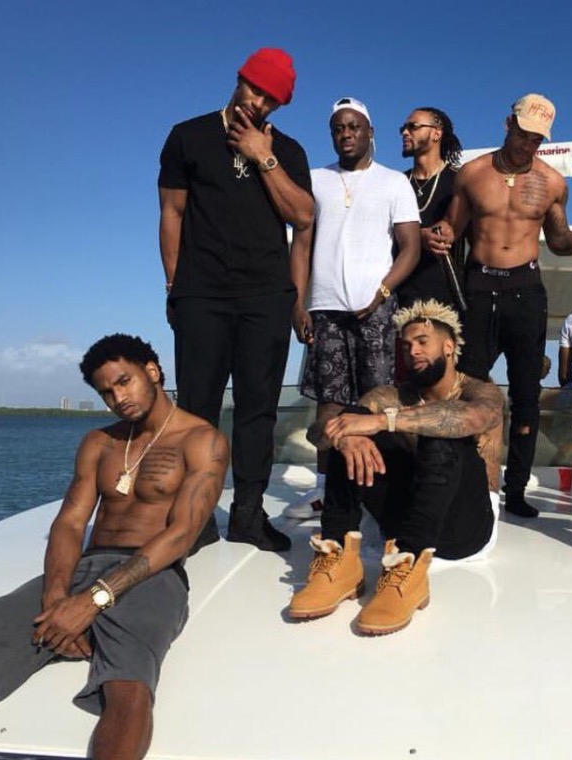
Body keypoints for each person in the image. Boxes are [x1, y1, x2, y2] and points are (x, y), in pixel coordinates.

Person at [0, 335, 228, 759]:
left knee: (128, 689)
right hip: (85, 565)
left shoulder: (201, 439)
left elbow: (181, 533)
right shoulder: (100, 442)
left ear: (152, 372)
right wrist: (56, 598)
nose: (118, 398)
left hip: (152, 573)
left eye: (124, 382)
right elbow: (70, 522)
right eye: (106, 392)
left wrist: (93, 602)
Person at [427, 94, 572, 518]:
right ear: (509, 123)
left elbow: (560, 241)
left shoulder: (553, 183)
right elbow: (452, 228)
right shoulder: (472, 174)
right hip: (479, 287)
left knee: (527, 394)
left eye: (537, 139)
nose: (529, 144)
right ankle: (466, 482)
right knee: (466, 389)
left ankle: (516, 491)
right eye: (524, 134)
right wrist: (438, 233)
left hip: (526, 291)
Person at [159, 47, 314, 553]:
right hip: (201, 293)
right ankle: (196, 517)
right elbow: (172, 214)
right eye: (255, 89)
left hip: (266, 296)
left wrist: (261, 155)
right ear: (240, 78)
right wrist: (174, 286)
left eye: (272, 99)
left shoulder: (287, 151)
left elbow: (303, 216)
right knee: (196, 408)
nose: (259, 102)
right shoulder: (188, 137)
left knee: (257, 409)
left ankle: (248, 514)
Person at [287, 300, 503, 635]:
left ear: (448, 346)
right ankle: (339, 556)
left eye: (422, 342)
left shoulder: (480, 390)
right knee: (352, 424)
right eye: (406, 346)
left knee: (440, 430)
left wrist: (381, 422)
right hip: (408, 517)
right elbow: (319, 432)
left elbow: (473, 418)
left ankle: (409, 567)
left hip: (465, 528)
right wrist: (346, 435)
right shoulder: (392, 395)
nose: (412, 351)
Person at [289, 97, 421, 523]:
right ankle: (326, 491)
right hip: (325, 310)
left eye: (353, 127)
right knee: (329, 405)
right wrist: (298, 303)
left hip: (376, 310)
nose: (345, 134)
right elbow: (301, 246)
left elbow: (411, 248)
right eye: (338, 128)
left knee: (378, 405)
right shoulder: (315, 180)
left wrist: (382, 292)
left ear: (370, 132)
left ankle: (381, 493)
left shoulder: (393, 183)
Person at [398, 106, 467, 311]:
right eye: (403, 128)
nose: (405, 132)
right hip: (399, 298)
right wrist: (418, 237)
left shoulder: (459, 180)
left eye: (413, 126)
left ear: (436, 133)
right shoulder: (397, 183)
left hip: (446, 301)